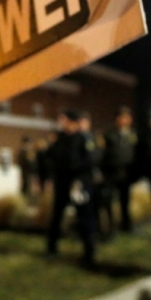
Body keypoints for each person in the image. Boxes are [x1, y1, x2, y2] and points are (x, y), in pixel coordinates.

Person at [46, 109, 97, 268]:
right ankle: (51, 248)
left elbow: (90, 161)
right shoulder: (59, 139)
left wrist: (79, 179)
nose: (61, 123)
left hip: (78, 184)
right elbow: (50, 157)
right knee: (56, 216)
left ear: (72, 122)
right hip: (62, 183)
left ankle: (89, 253)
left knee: (84, 218)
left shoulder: (83, 139)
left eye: (64, 120)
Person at [99, 105, 138, 234]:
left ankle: (126, 225)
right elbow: (103, 154)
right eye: (121, 117)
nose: (124, 120)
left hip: (127, 172)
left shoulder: (133, 134)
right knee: (109, 200)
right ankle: (110, 227)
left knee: (125, 200)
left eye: (127, 117)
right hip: (111, 172)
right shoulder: (109, 134)